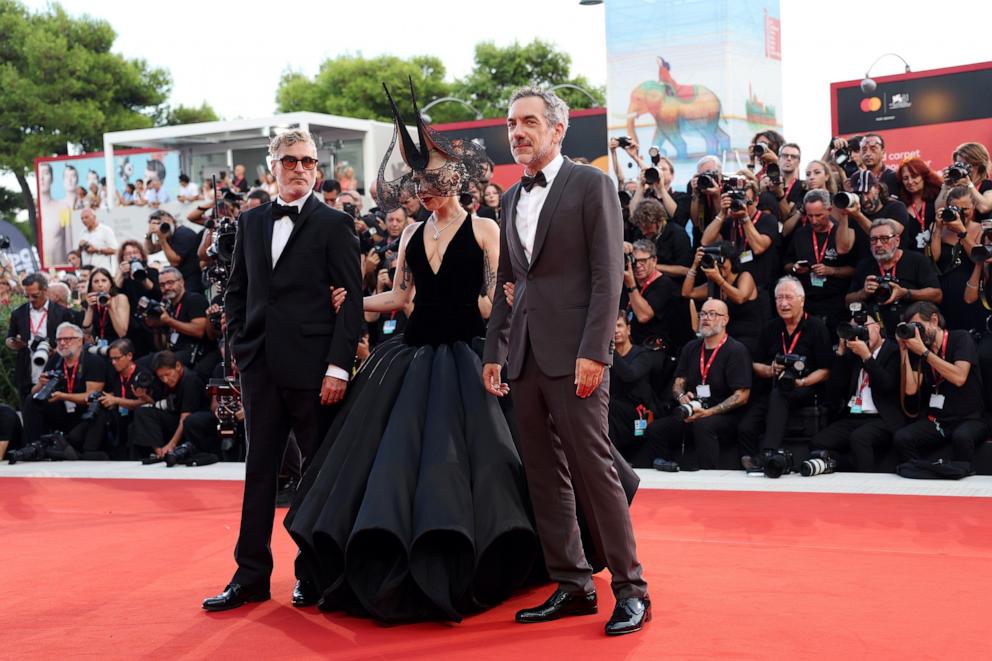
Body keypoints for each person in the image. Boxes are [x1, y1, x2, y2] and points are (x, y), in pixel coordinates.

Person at [287, 82, 547, 624]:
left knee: (476, 463)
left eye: (432, 179)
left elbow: (494, 300)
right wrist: (352, 301)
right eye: (418, 182)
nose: (424, 190)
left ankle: (491, 551)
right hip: (410, 356)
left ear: (455, 178)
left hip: (470, 357)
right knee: (391, 465)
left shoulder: (484, 229)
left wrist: (496, 309)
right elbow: (402, 297)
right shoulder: (408, 237)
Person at [483, 86, 649, 636]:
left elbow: (608, 278)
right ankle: (573, 583)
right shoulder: (508, 199)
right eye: (511, 123)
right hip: (524, 358)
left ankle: (631, 589)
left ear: (558, 130)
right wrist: (495, 352)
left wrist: (594, 353)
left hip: (576, 355)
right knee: (543, 474)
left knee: (594, 469)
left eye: (529, 122)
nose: (517, 132)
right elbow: (509, 281)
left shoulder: (591, 184)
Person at [202, 127, 363, 612]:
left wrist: (338, 366)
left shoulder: (336, 224)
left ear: (317, 168)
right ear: (272, 165)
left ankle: (313, 574)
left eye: (308, 162)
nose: (299, 169)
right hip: (260, 369)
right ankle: (250, 575)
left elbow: (351, 301)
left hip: (315, 372)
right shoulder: (250, 224)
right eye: (290, 160)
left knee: (316, 476)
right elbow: (237, 290)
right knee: (259, 473)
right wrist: (241, 348)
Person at [643, 298, 752, 470]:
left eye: (712, 314)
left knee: (703, 425)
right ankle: (667, 471)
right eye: (703, 314)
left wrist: (708, 412)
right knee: (655, 429)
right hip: (694, 411)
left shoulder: (736, 350)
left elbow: (742, 396)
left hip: (725, 417)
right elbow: (678, 382)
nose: (705, 318)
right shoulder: (691, 347)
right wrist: (681, 396)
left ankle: (707, 479)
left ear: (725, 320)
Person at [738, 276, 832, 468]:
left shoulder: (816, 327)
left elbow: (826, 370)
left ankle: (768, 453)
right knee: (745, 426)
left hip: (806, 388)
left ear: (802, 300)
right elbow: (755, 364)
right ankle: (748, 462)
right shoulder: (770, 328)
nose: (783, 303)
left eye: (788, 297)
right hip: (774, 385)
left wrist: (803, 381)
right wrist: (770, 369)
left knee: (779, 394)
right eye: (779, 298)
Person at [893, 302, 989, 463]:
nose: (916, 332)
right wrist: (903, 351)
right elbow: (910, 390)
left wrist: (924, 353)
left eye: (918, 326)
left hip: (970, 419)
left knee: (962, 437)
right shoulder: (920, 348)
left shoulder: (961, 338)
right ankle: (922, 473)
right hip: (939, 422)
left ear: (934, 320)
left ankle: (962, 478)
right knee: (902, 437)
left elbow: (959, 377)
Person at [810, 313, 903, 472]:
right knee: (819, 442)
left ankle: (866, 484)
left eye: (863, 328)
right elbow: (835, 391)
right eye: (854, 330)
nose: (859, 333)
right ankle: (847, 465)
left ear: (877, 327)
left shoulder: (893, 350)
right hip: (854, 415)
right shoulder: (853, 354)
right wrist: (840, 353)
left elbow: (887, 385)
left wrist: (867, 356)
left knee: (859, 438)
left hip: (882, 417)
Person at [846, 218, 942, 336]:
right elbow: (848, 302)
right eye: (874, 240)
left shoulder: (917, 260)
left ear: (897, 240)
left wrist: (905, 293)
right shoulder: (864, 265)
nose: (879, 244)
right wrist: (863, 293)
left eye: (885, 239)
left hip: (911, 331)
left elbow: (937, 295)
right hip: (876, 333)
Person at [23, 322, 107, 454]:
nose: (62, 343)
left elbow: (92, 396)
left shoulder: (93, 361)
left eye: (68, 339)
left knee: (96, 412)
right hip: (61, 409)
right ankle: (34, 446)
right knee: (31, 401)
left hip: (84, 412)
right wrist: (40, 384)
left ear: (80, 341)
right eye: (59, 340)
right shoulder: (55, 360)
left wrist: (63, 396)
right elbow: (34, 393)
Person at [784, 189, 856, 336]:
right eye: (810, 216)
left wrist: (832, 271)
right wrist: (795, 268)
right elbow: (786, 264)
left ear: (829, 210)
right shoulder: (801, 234)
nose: (814, 220)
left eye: (819, 215)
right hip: (807, 302)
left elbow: (854, 270)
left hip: (835, 302)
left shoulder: (841, 233)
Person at [700, 171, 780, 292]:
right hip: (733, 286)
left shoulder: (767, 220)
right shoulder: (729, 221)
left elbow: (758, 248)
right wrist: (722, 213)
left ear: (756, 200)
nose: (741, 203)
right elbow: (706, 242)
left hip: (760, 288)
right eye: (736, 199)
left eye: (744, 200)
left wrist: (745, 218)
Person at [682, 242, 765, 356]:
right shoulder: (714, 283)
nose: (718, 266)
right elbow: (687, 292)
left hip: (747, 337)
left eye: (721, 261)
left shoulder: (744, 276)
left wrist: (719, 279)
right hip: (723, 338)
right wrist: (695, 265)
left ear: (732, 260)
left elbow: (740, 298)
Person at [5, 273, 75, 400]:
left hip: (54, 367)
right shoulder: (18, 313)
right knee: (28, 410)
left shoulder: (62, 312)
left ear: (45, 290)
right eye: (27, 296)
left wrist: (57, 351)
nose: (31, 299)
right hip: (27, 369)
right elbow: (10, 338)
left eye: (35, 296)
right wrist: (14, 343)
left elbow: (73, 341)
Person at [607, 312, 664, 467]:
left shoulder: (642, 355)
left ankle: (611, 460)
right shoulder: (604, 356)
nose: (615, 330)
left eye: (619, 325)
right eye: (611, 327)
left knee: (607, 406)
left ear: (629, 329)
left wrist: (611, 350)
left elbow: (629, 375)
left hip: (639, 412)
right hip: (614, 410)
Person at [129, 351, 207, 460]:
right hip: (172, 416)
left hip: (190, 422)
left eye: (167, 375)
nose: (165, 380)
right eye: (161, 377)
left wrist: (172, 444)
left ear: (178, 366)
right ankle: (159, 451)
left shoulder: (190, 380)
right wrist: (144, 397)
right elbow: (157, 406)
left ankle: (166, 451)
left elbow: (185, 417)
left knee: (188, 421)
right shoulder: (162, 381)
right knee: (141, 412)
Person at [930, 186, 986, 332]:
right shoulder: (939, 228)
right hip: (943, 297)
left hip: (970, 296)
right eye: (956, 208)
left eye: (965, 209)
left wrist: (962, 232)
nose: (961, 213)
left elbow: (978, 258)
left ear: (974, 207)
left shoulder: (981, 230)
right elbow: (933, 258)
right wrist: (938, 229)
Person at [623, 238, 689, 352]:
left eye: (643, 261)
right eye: (634, 261)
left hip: (659, 348)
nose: (638, 265)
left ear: (654, 261)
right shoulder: (631, 281)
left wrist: (631, 285)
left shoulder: (664, 285)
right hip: (634, 345)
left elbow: (643, 316)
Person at [936, 142, 992, 220]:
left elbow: (984, 208)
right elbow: (938, 211)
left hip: (980, 231)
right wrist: (945, 187)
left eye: (966, 165)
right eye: (959, 164)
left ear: (979, 165)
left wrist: (969, 184)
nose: (962, 168)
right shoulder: (955, 187)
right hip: (957, 230)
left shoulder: (988, 186)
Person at [897, 157, 942, 252]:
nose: (910, 182)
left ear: (924, 176)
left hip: (935, 255)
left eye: (914, 176)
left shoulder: (937, 198)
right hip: (910, 259)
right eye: (905, 178)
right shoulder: (900, 204)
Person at [81, 267, 129, 346]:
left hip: (118, 345)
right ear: (91, 285)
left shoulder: (120, 298)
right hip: (98, 346)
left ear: (110, 283)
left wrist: (110, 307)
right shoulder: (90, 301)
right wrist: (90, 308)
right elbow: (86, 332)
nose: (100, 285)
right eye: (96, 281)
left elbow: (122, 333)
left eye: (104, 280)